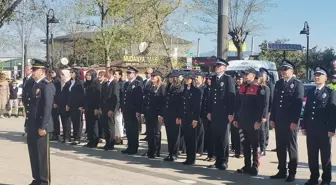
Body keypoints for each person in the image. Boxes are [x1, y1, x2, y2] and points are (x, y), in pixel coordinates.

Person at [270, 60, 304, 182]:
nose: (283, 72)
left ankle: (292, 172)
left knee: (291, 147)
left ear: (292, 71)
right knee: (280, 147)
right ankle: (282, 170)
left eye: (286, 69)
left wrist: (295, 121)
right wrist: (272, 118)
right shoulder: (278, 83)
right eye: (282, 69)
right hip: (279, 121)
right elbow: (274, 103)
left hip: (290, 122)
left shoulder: (297, 84)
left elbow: (298, 104)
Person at [301, 67, 336, 185]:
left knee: (325, 156)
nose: (316, 77)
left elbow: (332, 112)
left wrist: (332, 128)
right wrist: (304, 125)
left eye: (319, 75)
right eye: (315, 75)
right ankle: (313, 177)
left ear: (325, 78)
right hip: (311, 128)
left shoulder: (330, 92)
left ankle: (326, 179)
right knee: (312, 154)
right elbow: (307, 110)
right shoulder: (311, 92)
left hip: (324, 129)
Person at [26, 59, 55, 185]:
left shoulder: (47, 85)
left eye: (34, 69)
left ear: (42, 71)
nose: (32, 71)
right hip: (32, 125)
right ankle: (36, 178)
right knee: (33, 153)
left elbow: (47, 107)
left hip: (41, 126)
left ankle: (44, 181)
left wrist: (43, 126)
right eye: (32, 69)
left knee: (42, 155)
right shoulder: (34, 84)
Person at [233, 68, 266, 176]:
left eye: (248, 74)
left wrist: (259, 121)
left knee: (255, 145)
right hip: (243, 121)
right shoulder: (242, 88)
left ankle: (255, 166)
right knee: (245, 145)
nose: (245, 76)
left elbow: (262, 106)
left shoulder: (258, 88)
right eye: (245, 74)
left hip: (253, 122)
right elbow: (238, 105)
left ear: (253, 75)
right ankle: (247, 165)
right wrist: (236, 119)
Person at [207, 58, 236, 170]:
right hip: (215, 113)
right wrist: (209, 111)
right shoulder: (214, 79)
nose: (217, 68)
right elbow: (211, 97)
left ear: (224, 68)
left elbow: (231, 97)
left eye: (219, 66)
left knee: (224, 138)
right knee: (216, 137)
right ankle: (218, 160)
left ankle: (224, 161)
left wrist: (230, 113)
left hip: (224, 113)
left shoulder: (228, 79)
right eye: (216, 66)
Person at [177, 72, 202, 165]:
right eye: (186, 78)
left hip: (192, 118)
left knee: (192, 139)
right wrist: (179, 117)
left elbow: (197, 106)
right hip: (184, 117)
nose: (187, 80)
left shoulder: (196, 91)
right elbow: (181, 105)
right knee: (187, 138)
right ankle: (188, 157)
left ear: (192, 80)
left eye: (189, 79)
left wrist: (195, 119)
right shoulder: (183, 90)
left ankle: (192, 158)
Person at [121, 67, 143, 155]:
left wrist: (138, 110)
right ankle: (129, 146)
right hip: (127, 110)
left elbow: (139, 99)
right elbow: (124, 97)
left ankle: (134, 147)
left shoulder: (138, 84)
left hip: (134, 110)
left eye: (130, 73)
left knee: (134, 130)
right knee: (128, 129)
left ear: (135, 74)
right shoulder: (126, 84)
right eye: (128, 73)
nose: (128, 74)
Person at [163, 71, 184, 162]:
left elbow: (180, 104)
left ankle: (174, 154)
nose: (170, 79)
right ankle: (170, 153)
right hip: (168, 115)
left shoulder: (179, 88)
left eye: (171, 78)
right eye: (169, 78)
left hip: (175, 115)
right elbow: (165, 102)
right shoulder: (168, 87)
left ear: (175, 78)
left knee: (175, 135)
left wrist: (179, 117)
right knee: (169, 135)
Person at [145, 71, 165, 158]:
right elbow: (146, 100)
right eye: (152, 76)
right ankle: (150, 150)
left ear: (158, 77)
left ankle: (157, 150)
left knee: (156, 132)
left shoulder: (162, 87)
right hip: (149, 112)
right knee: (149, 132)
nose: (152, 77)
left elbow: (163, 101)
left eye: (154, 76)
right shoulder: (149, 86)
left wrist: (161, 114)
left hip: (157, 113)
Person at [100, 68, 120, 150]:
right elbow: (102, 97)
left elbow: (115, 97)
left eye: (107, 73)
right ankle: (107, 143)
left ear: (111, 74)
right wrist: (101, 107)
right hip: (104, 108)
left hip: (110, 108)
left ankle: (111, 144)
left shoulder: (114, 83)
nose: (105, 75)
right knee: (105, 126)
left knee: (110, 127)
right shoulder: (106, 83)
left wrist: (112, 109)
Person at [67, 68, 85, 145]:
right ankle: (74, 136)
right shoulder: (69, 82)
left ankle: (77, 138)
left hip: (78, 105)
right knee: (73, 121)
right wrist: (68, 104)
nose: (71, 74)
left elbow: (83, 95)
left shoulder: (80, 82)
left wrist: (82, 105)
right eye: (70, 72)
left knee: (78, 121)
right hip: (72, 104)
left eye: (72, 72)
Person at [83, 70, 101, 148]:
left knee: (94, 125)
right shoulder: (86, 84)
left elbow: (98, 97)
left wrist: (97, 108)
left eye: (89, 75)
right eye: (87, 75)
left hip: (94, 107)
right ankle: (90, 141)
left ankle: (95, 141)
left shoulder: (96, 83)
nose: (88, 77)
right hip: (87, 107)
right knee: (89, 125)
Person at [256, 71, 270, 156]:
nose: (256, 80)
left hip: (262, 112)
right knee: (256, 131)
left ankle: (262, 148)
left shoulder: (265, 88)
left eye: (258, 78)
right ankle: (257, 147)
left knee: (262, 131)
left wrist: (264, 115)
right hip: (255, 112)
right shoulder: (255, 88)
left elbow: (266, 103)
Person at [231, 72, 244, 158]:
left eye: (240, 79)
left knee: (241, 133)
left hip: (242, 113)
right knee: (234, 133)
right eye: (237, 79)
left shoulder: (244, 88)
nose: (238, 80)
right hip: (234, 112)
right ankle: (236, 150)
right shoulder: (233, 88)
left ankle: (242, 151)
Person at [202, 73, 215, 162]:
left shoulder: (215, 89)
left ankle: (214, 154)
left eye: (210, 79)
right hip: (205, 115)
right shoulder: (205, 89)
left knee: (213, 136)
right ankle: (209, 154)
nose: (209, 80)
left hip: (213, 115)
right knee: (207, 135)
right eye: (208, 79)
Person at [58, 69, 72, 143]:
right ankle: (64, 136)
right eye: (61, 75)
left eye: (63, 75)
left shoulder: (69, 83)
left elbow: (69, 95)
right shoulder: (62, 83)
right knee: (63, 121)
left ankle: (67, 137)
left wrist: (68, 104)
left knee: (67, 121)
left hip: (67, 105)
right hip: (61, 105)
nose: (61, 76)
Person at [194, 72, 205, 157]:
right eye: (195, 77)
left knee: (200, 132)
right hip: (194, 113)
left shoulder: (204, 88)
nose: (196, 79)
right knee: (194, 131)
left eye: (198, 77)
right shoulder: (194, 88)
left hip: (201, 113)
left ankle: (199, 150)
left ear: (203, 79)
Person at [49, 68, 62, 141]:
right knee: (53, 118)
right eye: (50, 72)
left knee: (55, 118)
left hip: (55, 102)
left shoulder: (57, 81)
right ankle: (54, 132)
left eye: (53, 72)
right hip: (52, 101)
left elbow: (57, 93)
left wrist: (56, 102)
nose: (51, 73)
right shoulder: (53, 80)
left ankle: (56, 134)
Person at [114, 68, 125, 145]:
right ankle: (116, 136)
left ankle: (120, 137)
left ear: (120, 76)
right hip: (113, 105)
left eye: (116, 74)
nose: (114, 76)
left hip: (119, 106)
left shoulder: (121, 84)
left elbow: (122, 96)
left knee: (118, 121)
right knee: (115, 122)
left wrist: (120, 106)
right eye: (114, 74)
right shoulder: (114, 83)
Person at [142, 68, 153, 139]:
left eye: (148, 73)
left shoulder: (152, 82)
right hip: (144, 103)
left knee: (150, 122)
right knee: (146, 120)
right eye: (146, 73)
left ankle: (149, 134)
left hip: (150, 104)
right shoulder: (144, 81)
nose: (146, 74)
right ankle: (147, 133)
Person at [97, 71, 107, 142]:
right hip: (97, 104)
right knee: (99, 121)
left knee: (103, 122)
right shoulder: (97, 84)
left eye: (101, 76)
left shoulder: (105, 84)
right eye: (99, 76)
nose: (99, 77)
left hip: (103, 106)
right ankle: (99, 135)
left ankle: (103, 136)